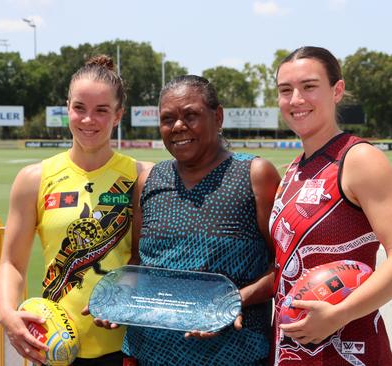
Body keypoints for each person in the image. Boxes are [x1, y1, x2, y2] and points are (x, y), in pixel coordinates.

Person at [269, 46, 392, 365]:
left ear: (336, 90)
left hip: (350, 349)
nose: (296, 99)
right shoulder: (293, 169)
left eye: (309, 86)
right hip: (292, 351)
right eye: (286, 90)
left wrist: (338, 314)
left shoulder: (359, 159)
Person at [0, 55, 151, 366]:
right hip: (55, 347)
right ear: (67, 107)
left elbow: (146, 260)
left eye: (101, 111)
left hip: (128, 348)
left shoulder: (142, 177)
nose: (88, 120)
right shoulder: (33, 179)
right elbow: (11, 263)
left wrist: (121, 299)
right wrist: (7, 314)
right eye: (79, 108)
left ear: (118, 115)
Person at [117, 75, 281, 365]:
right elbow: (137, 263)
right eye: (168, 119)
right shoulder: (149, 180)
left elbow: (282, 268)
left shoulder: (255, 175)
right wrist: (120, 301)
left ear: (217, 117)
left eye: (191, 115)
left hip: (233, 353)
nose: (178, 126)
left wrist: (234, 301)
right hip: (149, 352)